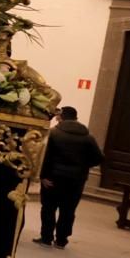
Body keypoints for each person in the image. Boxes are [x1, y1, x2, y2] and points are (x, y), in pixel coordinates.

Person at [36, 106, 104, 248]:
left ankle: (46, 238)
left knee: (49, 207)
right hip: (76, 180)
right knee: (68, 210)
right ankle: (61, 240)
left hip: (53, 177)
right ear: (76, 118)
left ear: (61, 118)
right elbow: (99, 158)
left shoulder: (53, 134)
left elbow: (45, 156)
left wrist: (43, 176)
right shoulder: (88, 137)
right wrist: (83, 167)